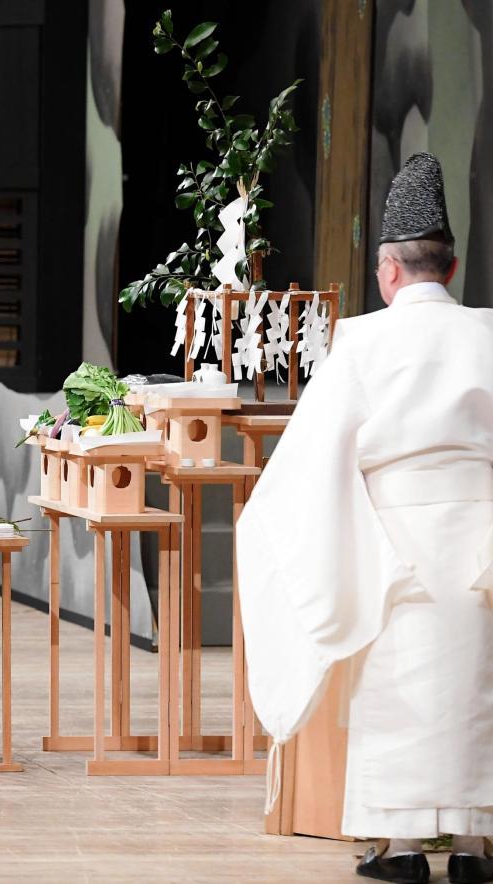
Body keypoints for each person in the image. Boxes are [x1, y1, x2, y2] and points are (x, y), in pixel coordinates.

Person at [237, 152, 493, 884]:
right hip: (482, 541)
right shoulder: (489, 335)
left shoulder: (363, 342)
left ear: (387, 270)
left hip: (396, 546)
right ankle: (476, 846)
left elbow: (310, 464)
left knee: (399, 691)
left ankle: (401, 848)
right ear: (451, 267)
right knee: (478, 691)